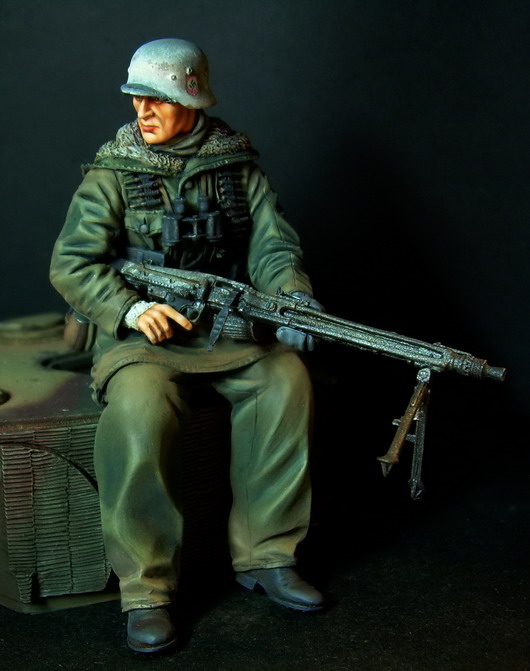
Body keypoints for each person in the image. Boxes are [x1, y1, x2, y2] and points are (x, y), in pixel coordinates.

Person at [50, 38, 324, 654]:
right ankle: (145, 588)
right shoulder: (114, 172)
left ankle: (268, 555)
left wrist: (292, 298)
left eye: (159, 99)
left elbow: (274, 246)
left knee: (287, 380)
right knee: (139, 409)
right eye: (137, 98)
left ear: (192, 99)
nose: (143, 111)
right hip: (144, 337)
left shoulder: (238, 167)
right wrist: (129, 308)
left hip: (227, 329)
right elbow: (73, 263)